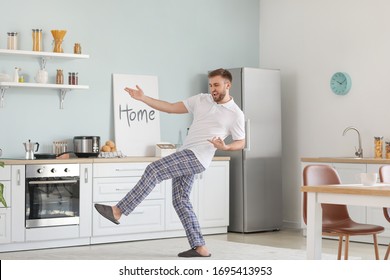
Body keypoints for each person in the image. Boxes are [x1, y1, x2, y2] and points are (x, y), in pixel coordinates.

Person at [95, 68, 245, 257]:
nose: (212, 89)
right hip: (187, 152)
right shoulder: (201, 100)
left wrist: (225, 147)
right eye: (210, 85)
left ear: (227, 85)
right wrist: (143, 98)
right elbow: (171, 107)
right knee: (180, 200)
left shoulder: (235, 114)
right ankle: (200, 247)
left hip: (199, 156)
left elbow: (241, 141)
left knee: (154, 169)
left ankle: (119, 210)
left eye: (216, 85)